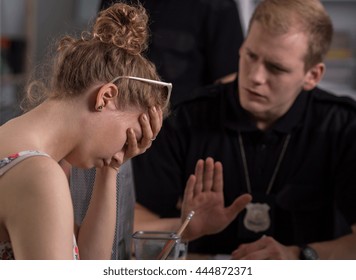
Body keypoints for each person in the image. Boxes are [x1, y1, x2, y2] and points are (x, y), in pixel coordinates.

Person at [131, 0, 356, 259]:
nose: (255, 76)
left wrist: (299, 256)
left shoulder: (343, 127)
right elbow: (134, 223)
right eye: (250, 55)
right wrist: (183, 228)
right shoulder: (186, 118)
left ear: (313, 75)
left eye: (276, 68)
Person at [0, 3, 171, 260]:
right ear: (106, 97)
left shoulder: (13, 144)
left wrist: (110, 170)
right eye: (129, 136)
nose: (127, 150)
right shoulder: (40, 176)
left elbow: (91, 264)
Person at [100, 0, 244, 106]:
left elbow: (227, 85)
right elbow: (100, 59)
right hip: (115, 114)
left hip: (181, 131)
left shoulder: (220, 6)